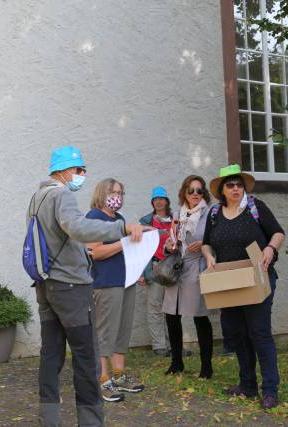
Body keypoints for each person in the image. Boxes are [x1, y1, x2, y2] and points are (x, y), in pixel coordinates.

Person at [28, 146, 148, 427]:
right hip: (70, 287)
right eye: (79, 170)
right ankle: (91, 421)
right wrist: (122, 228)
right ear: (63, 170)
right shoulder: (61, 195)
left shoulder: (37, 197)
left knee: (51, 353)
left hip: (46, 285)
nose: (82, 175)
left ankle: (50, 419)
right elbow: (79, 229)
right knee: (87, 357)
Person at [201, 164, 285, 410]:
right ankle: (247, 385)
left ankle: (269, 390)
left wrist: (270, 248)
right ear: (222, 191)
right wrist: (208, 256)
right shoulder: (215, 213)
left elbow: (278, 233)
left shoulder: (256, 208)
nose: (236, 188)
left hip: (257, 279)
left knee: (259, 334)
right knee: (237, 335)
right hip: (229, 283)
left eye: (239, 184)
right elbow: (206, 244)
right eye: (231, 185)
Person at [86, 179, 145, 404]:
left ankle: (119, 376)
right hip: (106, 283)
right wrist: (125, 240)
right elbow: (96, 252)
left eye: (121, 192)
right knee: (105, 332)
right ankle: (102, 379)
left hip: (126, 281)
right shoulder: (94, 218)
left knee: (122, 330)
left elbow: (128, 251)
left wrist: (137, 269)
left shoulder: (119, 219)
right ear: (102, 193)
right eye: (113, 192)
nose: (117, 196)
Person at [162, 175, 214, 378]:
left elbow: (217, 238)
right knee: (171, 316)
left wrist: (203, 244)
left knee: (200, 317)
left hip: (197, 266)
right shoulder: (177, 214)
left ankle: (206, 366)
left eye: (199, 191)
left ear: (204, 194)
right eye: (190, 190)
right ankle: (176, 362)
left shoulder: (210, 213)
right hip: (177, 267)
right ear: (184, 192)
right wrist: (169, 246)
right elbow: (171, 241)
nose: (194, 194)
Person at [138, 186, 172, 357]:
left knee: (172, 308)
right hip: (154, 267)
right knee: (155, 307)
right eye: (155, 199)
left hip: (173, 270)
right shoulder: (146, 222)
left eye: (161, 198)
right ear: (153, 202)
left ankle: (173, 344)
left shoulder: (175, 220)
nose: (158, 201)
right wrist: (142, 273)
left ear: (167, 201)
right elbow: (141, 249)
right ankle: (159, 346)